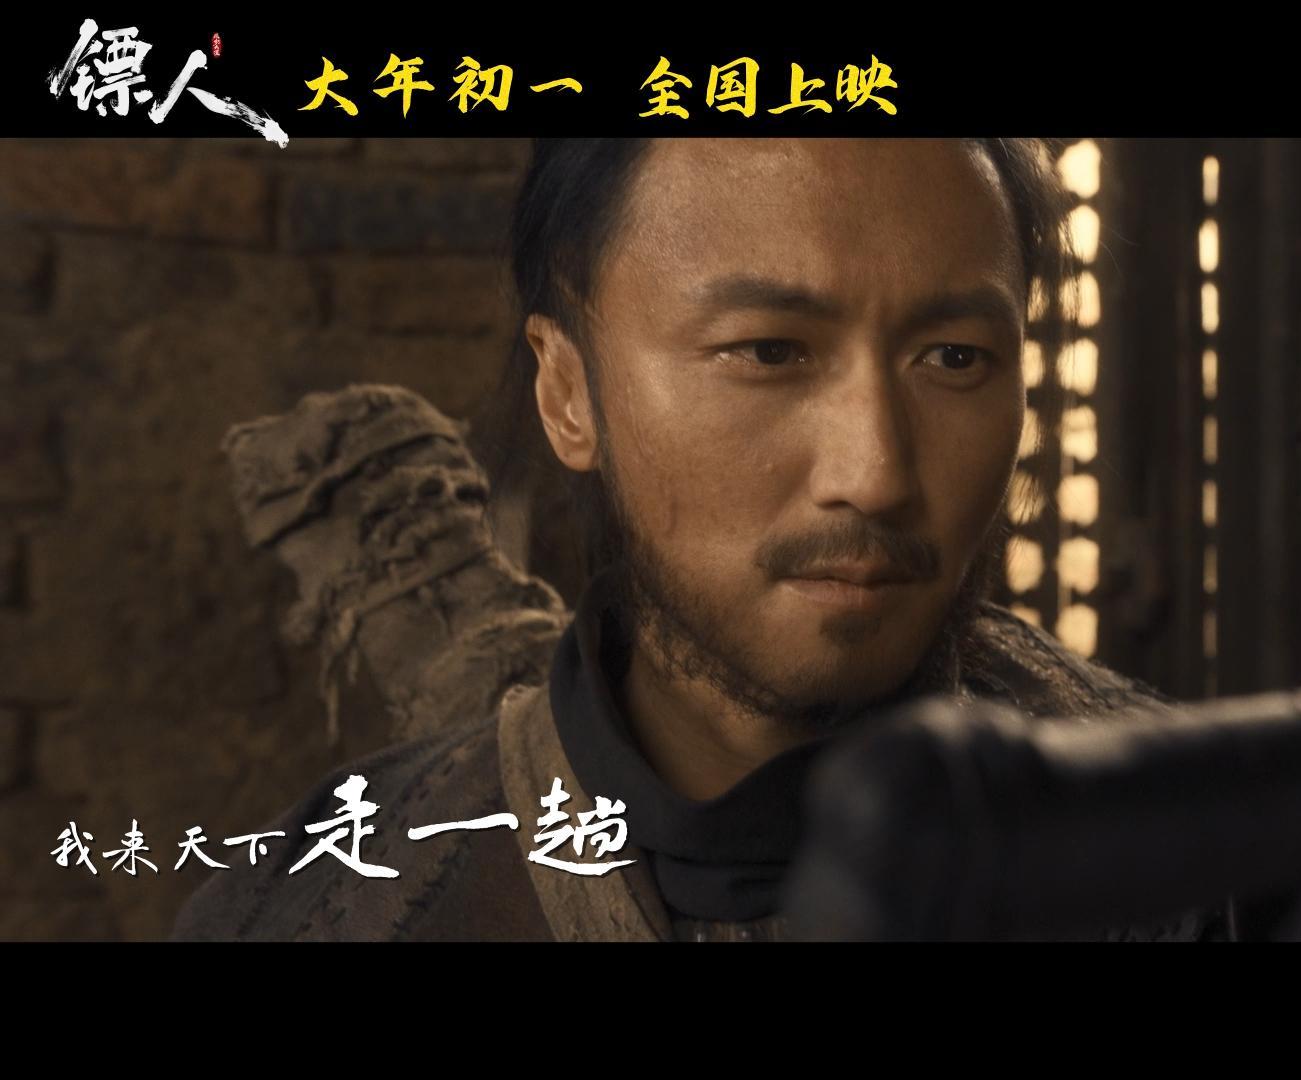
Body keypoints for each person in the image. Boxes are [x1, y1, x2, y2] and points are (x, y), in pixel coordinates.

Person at [170, 137, 1216, 942]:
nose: (876, 474)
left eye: (953, 357)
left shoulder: (1206, 861)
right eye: (768, 352)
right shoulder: (327, 906)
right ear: (568, 391)